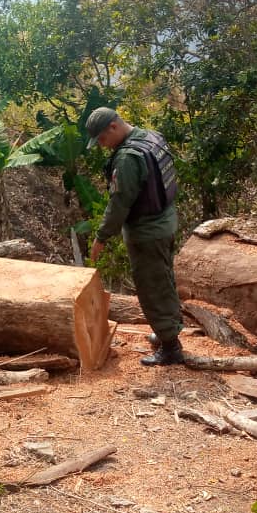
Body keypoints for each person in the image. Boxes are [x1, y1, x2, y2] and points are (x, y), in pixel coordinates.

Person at [87, 107, 184, 366]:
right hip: (166, 222)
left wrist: (101, 237)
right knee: (164, 280)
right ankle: (168, 331)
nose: (102, 146)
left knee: (153, 287)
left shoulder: (128, 158)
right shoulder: (151, 137)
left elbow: (119, 204)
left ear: (113, 127)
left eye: (102, 140)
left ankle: (171, 348)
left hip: (147, 233)